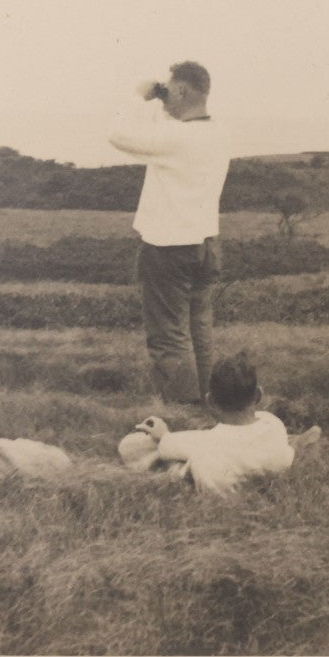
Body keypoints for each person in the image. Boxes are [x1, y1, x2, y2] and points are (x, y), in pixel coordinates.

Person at [109, 61, 230, 403]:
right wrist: (162, 102)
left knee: (169, 338)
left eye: (169, 88)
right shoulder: (218, 132)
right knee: (199, 332)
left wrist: (139, 97)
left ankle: (183, 414)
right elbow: (169, 131)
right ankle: (211, 405)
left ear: (181, 90)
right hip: (206, 245)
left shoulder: (176, 138)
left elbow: (119, 135)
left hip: (168, 250)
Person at [118, 353, 296, 496]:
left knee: (133, 445)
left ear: (210, 401)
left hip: (216, 479)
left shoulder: (207, 444)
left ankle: (177, 470)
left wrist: (162, 435)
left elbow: (171, 444)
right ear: (258, 395)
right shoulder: (272, 422)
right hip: (255, 463)